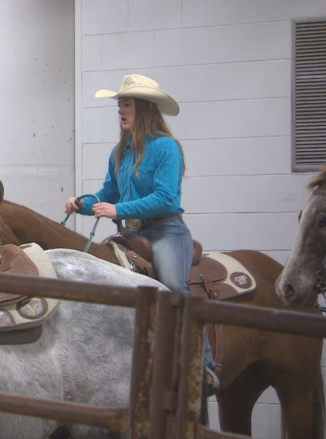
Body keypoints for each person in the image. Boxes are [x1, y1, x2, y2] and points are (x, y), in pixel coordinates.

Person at [64, 74, 220, 395]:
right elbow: (108, 193)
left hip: (166, 229)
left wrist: (118, 211)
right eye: (119, 105)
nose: (120, 111)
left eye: (126, 105)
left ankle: (204, 366)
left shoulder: (167, 148)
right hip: (132, 232)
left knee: (175, 287)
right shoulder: (119, 153)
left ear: (144, 108)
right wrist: (81, 204)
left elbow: (166, 198)